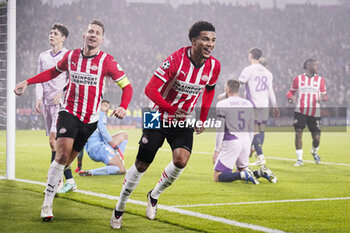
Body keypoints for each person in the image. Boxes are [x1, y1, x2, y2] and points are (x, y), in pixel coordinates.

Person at [14, 19, 133, 221]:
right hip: (68, 113)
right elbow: (52, 72)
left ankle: (58, 177)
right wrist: (28, 81)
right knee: (61, 156)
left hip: (90, 121)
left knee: (66, 163)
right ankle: (47, 205)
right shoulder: (71, 57)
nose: (93, 35)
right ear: (84, 36)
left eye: (97, 33)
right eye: (90, 31)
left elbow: (127, 87)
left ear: (102, 39)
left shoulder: (107, 61)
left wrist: (123, 106)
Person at [110, 21, 221, 229]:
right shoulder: (176, 60)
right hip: (157, 114)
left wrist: (203, 117)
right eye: (205, 39)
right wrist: (170, 109)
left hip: (183, 118)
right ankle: (120, 207)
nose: (210, 44)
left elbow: (209, 90)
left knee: (181, 161)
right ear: (193, 41)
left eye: (213, 40)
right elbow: (150, 89)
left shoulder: (214, 66)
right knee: (142, 165)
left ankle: (154, 195)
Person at [35, 23, 76, 194]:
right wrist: (38, 97)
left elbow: (72, 78)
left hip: (61, 105)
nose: (51, 35)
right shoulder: (43, 56)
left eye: (55, 33)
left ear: (63, 38)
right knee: (55, 145)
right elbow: (39, 78)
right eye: (50, 32)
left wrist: (63, 92)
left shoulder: (67, 56)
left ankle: (55, 181)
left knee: (54, 141)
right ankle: (70, 180)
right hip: (46, 104)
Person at [213, 80, 277, 184]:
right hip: (246, 140)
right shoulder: (248, 104)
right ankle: (260, 173)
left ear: (228, 89)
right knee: (241, 170)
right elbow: (251, 128)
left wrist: (217, 149)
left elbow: (220, 129)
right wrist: (249, 145)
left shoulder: (222, 104)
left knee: (217, 176)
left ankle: (245, 175)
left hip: (231, 140)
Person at [238, 48, 279, 166]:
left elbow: (240, 83)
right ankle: (255, 152)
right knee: (260, 130)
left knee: (253, 131)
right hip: (264, 105)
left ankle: (260, 156)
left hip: (253, 105)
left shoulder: (248, 70)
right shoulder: (267, 73)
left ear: (250, 55)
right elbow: (270, 91)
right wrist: (275, 106)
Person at [286, 58, 327, 166]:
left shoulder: (320, 80)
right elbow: (290, 92)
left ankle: (314, 151)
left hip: (315, 112)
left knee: (316, 138)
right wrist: (291, 98)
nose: (317, 67)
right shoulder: (298, 79)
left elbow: (324, 95)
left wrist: (321, 98)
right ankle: (299, 159)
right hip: (300, 111)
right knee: (298, 133)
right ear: (308, 66)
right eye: (315, 65)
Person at [79, 100, 127, 176]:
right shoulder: (100, 114)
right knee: (121, 170)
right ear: (98, 106)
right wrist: (114, 146)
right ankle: (91, 172)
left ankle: (116, 158)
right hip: (98, 148)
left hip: (95, 148)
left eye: (108, 106)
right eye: (104, 105)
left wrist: (79, 165)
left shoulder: (89, 115)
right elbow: (102, 129)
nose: (107, 108)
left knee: (123, 135)